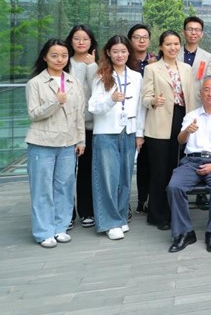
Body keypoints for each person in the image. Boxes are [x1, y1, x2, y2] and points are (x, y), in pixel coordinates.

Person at [166, 76, 211, 253]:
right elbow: (180, 140)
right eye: (206, 89)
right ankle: (185, 232)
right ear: (200, 93)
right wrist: (186, 131)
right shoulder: (191, 116)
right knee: (174, 187)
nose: (210, 93)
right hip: (191, 162)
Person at [25, 39, 85, 248]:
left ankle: (60, 227)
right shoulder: (35, 83)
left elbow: (79, 114)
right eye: (54, 55)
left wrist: (81, 140)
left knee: (65, 187)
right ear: (45, 57)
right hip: (42, 143)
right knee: (42, 189)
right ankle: (44, 232)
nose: (60, 59)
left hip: (68, 143)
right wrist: (55, 102)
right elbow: (34, 114)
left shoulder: (73, 82)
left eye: (64, 55)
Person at [88, 35, 144, 240]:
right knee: (107, 179)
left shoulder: (136, 76)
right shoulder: (101, 75)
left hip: (128, 131)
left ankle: (120, 217)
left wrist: (139, 133)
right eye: (115, 51)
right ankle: (109, 222)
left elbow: (140, 108)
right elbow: (93, 106)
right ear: (108, 53)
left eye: (123, 51)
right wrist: (111, 100)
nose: (120, 55)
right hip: (106, 132)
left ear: (129, 53)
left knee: (125, 178)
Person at [139, 30, 197, 230]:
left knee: (177, 168)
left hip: (182, 120)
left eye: (176, 44)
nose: (173, 48)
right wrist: (154, 100)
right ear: (161, 47)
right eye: (168, 44)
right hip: (160, 122)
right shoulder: (152, 68)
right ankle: (157, 215)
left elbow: (191, 96)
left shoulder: (186, 68)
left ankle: (175, 211)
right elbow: (145, 98)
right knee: (160, 171)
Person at [66, 25, 98, 229]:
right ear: (71, 41)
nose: (81, 42)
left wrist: (92, 66)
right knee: (67, 172)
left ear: (91, 42)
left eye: (85, 39)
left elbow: (98, 90)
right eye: (77, 38)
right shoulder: (64, 62)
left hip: (90, 126)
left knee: (87, 170)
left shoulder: (96, 64)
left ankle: (87, 210)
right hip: (67, 126)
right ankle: (67, 212)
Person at [129, 23, 156, 214]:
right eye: (137, 37)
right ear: (130, 40)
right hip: (129, 115)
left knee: (148, 160)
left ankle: (147, 199)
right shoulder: (124, 59)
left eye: (145, 37)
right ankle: (139, 199)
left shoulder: (155, 61)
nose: (141, 40)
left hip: (151, 115)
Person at [180, 16, 211, 107]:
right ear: (183, 32)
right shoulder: (174, 54)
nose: (193, 33)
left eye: (197, 30)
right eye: (190, 29)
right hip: (176, 102)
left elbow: (208, 80)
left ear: (202, 34)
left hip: (197, 102)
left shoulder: (208, 57)